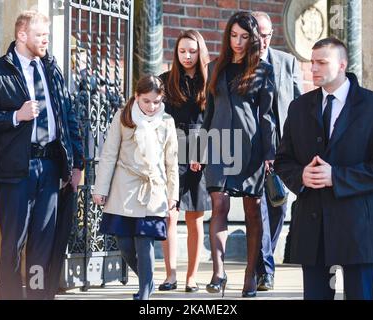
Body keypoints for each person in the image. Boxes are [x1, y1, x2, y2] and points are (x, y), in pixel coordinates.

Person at [274, 37, 373, 300]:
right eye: (312, 63)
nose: (314, 69)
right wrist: (301, 176)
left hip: (358, 228)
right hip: (312, 228)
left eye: (322, 62)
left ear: (342, 64)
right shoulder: (298, 107)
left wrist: (337, 176)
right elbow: (283, 160)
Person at [0, 11, 84, 299]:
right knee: (13, 244)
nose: (45, 40)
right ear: (21, 35)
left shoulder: (52, 70)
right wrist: (15, 116)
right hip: (16, 169)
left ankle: (37, 296)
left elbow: (68, 117)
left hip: (50, 166)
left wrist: (77, 163)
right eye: (39, 35)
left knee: (43, 245)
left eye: (47, 35)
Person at [195, 11, 276, 298]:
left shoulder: (263, 71)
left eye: (244, 37)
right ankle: (219, 273)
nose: (238, 42)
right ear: (227, 36)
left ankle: (250, 275)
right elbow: (208, 113)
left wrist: (270, 154)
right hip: (218, 144)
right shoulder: (215, 66)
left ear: (252, 39)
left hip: (250, 148)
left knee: (253, 212)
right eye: (234, 35)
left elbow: (267, 117)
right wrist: (198, 150)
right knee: (219, 206)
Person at [92, 75, 179, 300]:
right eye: (146, 101)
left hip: (153, 189)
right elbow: (109, 154)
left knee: (144, 241)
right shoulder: (123, 117)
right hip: (125, 188)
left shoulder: (167, 121)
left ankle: (144, 293)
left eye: (156, 102)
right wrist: (100, 189)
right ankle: (146, 280)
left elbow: (171, 161)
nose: (151, 107)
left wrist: (173, 195)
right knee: (125, 244)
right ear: (136, 97)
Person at [252, 11, 303, 291]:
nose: (263, 39)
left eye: (267, 34)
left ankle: (263, 261)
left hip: (282, 150)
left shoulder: (287, 62)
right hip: (251, 151)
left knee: (277, 206)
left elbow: (299, 106)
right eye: (258, 33)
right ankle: (264, 270)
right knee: (257, 208)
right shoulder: (240, 65)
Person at [158, 30, 212, 293]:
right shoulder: (165, 81)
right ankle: (170, 275)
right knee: (169, 216)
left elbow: (213, 121)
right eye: (182, 51)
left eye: (192, 51)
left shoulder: (210, 82)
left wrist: (200, 152)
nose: (187, 56)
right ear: (176, 53)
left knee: (195, 219)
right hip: (171, 153)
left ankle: (191, 277)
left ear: (200, 52)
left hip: (200, 153)